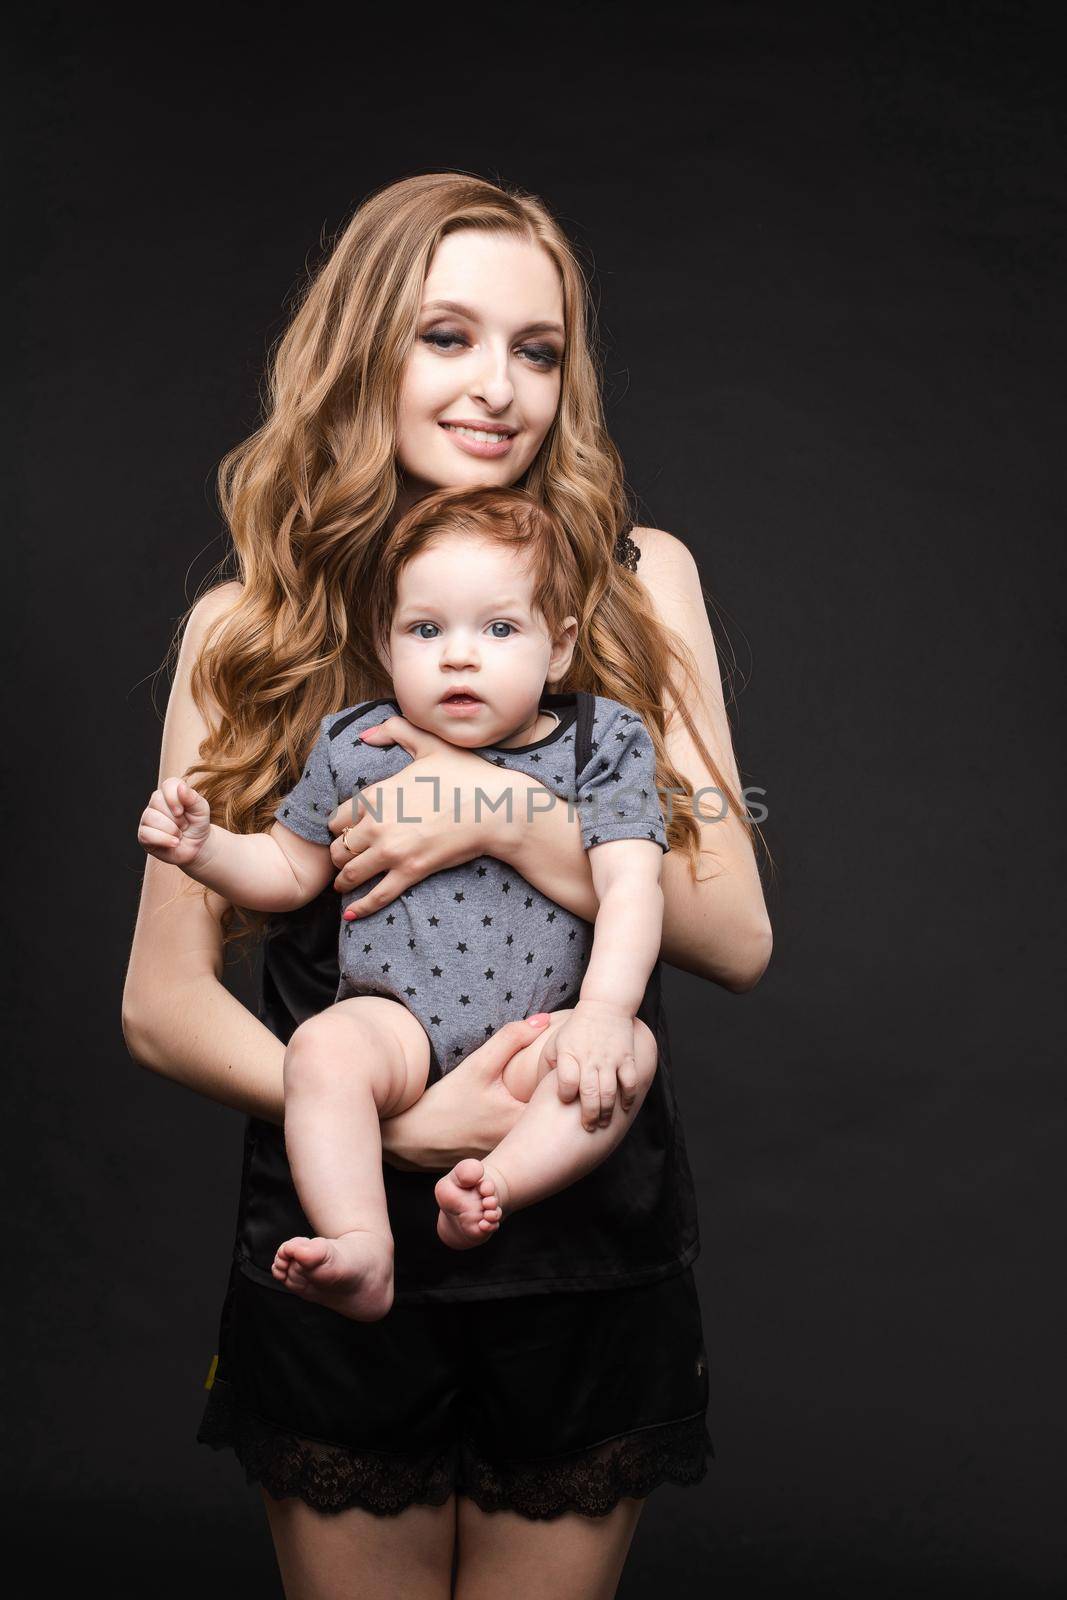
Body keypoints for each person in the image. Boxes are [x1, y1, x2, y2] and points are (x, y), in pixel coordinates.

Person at [122, 171, 772, 1597]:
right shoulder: (248, 627)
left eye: (536, 350)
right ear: (363, 353)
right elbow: (165, 1007)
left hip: (582, 1240)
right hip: (341, 1230)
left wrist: (507, 817)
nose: (499, 388)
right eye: (447, 337)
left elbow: (732, 934)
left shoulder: (634, 579)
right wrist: (407, 1130)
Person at [138, 485, 670, 1320]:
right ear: (387, 646)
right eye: (426, 630)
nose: (459, 656)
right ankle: (361, 1245)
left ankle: (492, 1182)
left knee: (623, 1053)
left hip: (536, 1032)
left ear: (557, 646)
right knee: (320, 1049)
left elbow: (631, 882)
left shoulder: (601, 741)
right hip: (398, 1025)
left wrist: (602, 1009)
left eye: (498, 629)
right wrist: (208, 851)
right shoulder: (358, 744)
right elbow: (289, 869)